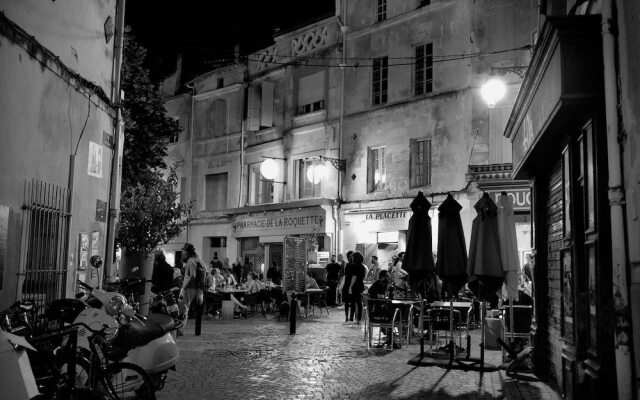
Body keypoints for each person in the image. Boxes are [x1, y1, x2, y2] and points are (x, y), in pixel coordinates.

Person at [178, 243, 207, 335]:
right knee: (186, 308)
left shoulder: (191, 261)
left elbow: (193, 275)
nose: (182, 253)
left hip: (189, 288)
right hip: (196, 288)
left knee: (183, 307)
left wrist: (185, 285)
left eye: (184, 251)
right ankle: (192, 331)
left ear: (188, 252)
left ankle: (180, 329)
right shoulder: (198, 259)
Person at [346, 251, 367, 325]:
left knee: (353, 302)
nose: (351, 258)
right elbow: (364, 277)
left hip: (355, 285)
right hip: (360, 285)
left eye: (352, 257)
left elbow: (354, 277)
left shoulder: (353, 266)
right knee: (359, 302)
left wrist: (350, 287)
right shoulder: (362, 266)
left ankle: (351, 319)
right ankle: (359, 319)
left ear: (355, 258)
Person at [341, 251, 354, 322]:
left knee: (352, 303)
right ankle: (346, 317)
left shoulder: (356, 265)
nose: (349, 258)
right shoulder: (347, 265)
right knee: (346, 302)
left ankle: (351, 317)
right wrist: (343, 286)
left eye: (350, 257)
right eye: (348, 257)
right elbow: (345, 276)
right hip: (346, 284)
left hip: (353, 285)